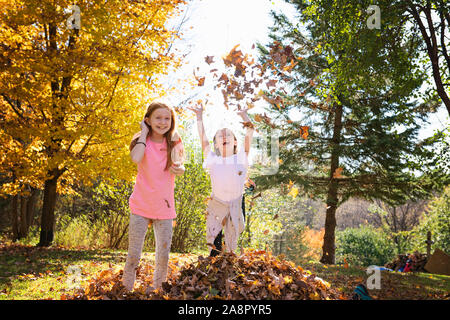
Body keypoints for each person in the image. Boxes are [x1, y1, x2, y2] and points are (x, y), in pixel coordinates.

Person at [122, 101, 185, 292]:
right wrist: (143, 132)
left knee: (163, 255)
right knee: (134, 253)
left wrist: (178, 169)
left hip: (164, 207)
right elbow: (136, 158)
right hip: (141, 205)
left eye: (167, 118)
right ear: (148, 120)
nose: (163, 122)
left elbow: (181, 166)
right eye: (158, 117)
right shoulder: (140, 139)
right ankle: (126, 290)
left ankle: (158, 290)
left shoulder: (174, 140)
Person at [188, 103, 254, 255]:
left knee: (231, 243)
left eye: (228, 134)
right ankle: (213, 263)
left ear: (236, 142)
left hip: (236, 203)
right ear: (216, 144)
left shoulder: (241, 157)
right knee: (214, 241)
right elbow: (202, 138)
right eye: (220, 136)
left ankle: (229, 262)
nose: (224, 136)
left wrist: (244, 116)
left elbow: (250, 132)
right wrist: (199, 116)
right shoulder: (212, 159)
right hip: (217, 202)